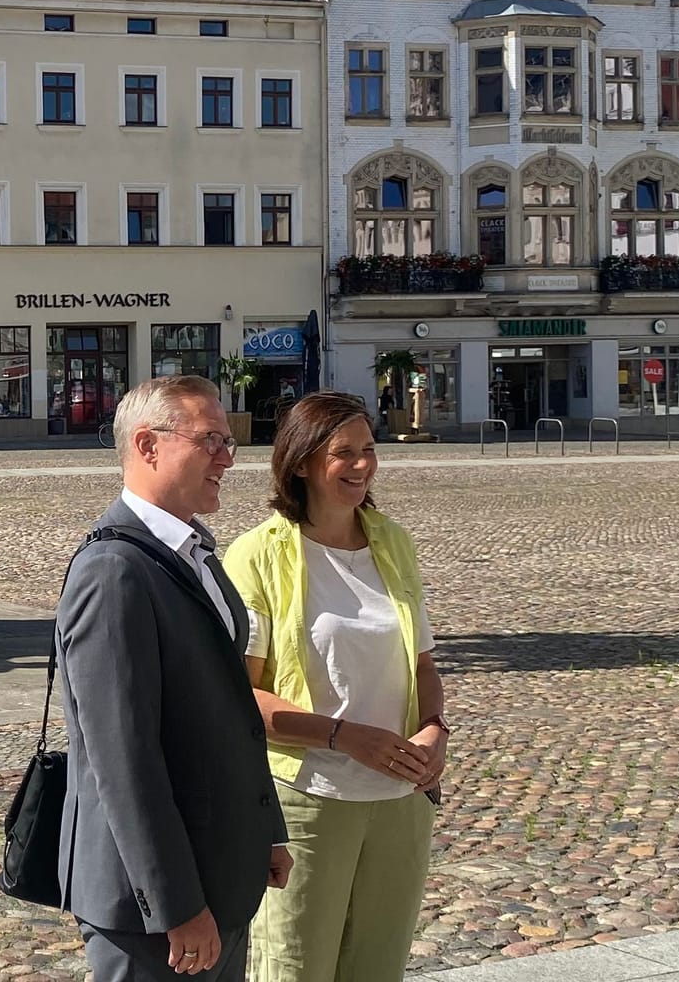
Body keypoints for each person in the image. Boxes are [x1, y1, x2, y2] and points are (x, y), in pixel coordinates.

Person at [56, 373, 292, 981]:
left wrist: (263, 828)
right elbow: (122, 758)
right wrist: (176, 905)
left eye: (228, 441)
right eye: (210, 440)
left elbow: (230, 709)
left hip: (218, 872)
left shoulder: (195, 553)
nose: (227, 458)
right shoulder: (114, 571)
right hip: (150, 910)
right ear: (147, 445)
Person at [222, 391, 447, 982]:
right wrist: (344, 737)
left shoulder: (392, 542)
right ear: (300, 463)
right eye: (342, 453)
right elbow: (240, 696)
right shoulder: (256, 556)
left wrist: (434, 730)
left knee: (378, 967)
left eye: (369, 450)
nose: (362, 465)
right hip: (306, 799)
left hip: (400, 800)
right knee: (295, 966)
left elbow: (422, 663)